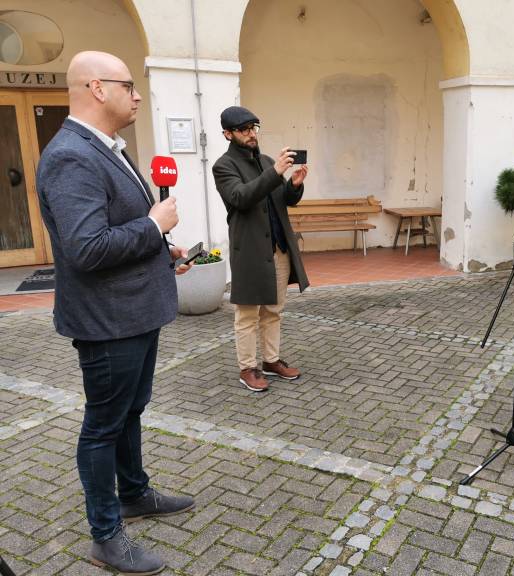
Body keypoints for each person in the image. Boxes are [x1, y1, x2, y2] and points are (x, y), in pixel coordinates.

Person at [36, 51, 195, 574]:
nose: (138, 94)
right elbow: (87, 248)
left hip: (134, 312)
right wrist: (152, 226)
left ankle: (134, 493)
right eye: (129, 85)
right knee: (103, 425)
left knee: (130, 411)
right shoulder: (71, 156)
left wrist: (160, 249)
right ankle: (105, 535)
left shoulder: (106, 148)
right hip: (108, 322)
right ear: (98, 88)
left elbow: (113, 229)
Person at [212, 106, 310, 393]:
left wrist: (294, 186)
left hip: (279, 249)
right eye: (244, 129)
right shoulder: (224, 166)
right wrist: (276, 172)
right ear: (228, 134)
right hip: (251, 251)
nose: (251, 134)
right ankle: (247, 368)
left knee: (273, 310)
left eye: (253, 128)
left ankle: (271, 360)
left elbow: (281, 200)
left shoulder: (267, 161)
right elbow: (241, 197)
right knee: (247, 315)